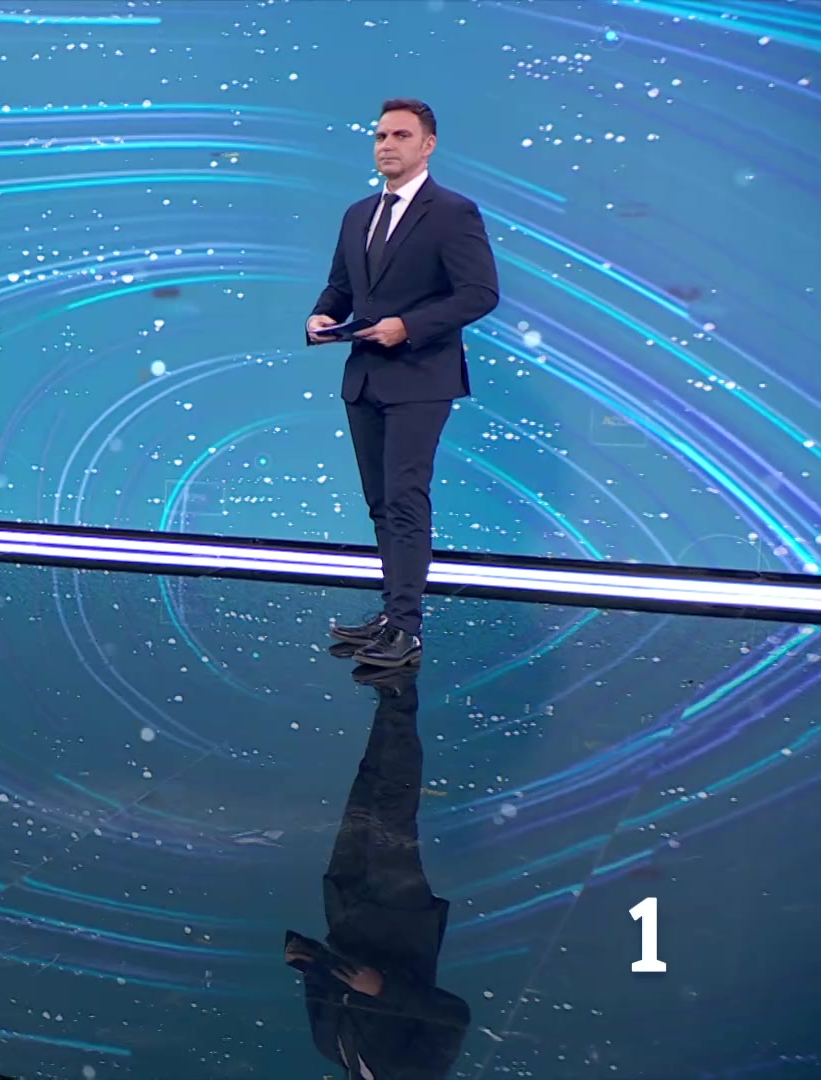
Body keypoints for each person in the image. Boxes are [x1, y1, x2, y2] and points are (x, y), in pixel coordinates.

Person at [307, 98, 499, 668]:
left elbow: (480, 294)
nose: (387, 145)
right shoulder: (358, 214)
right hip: (364, 377)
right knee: (380, 504)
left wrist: (408, 327)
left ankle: (406, 629)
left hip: (421, 377)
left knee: (405, 500)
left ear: (427, 145)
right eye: (380, 136)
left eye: (400, 135)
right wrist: (322, 314)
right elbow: (342, 286)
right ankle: (392, 614)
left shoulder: (453, 212)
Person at [285, 664, 470, 1079]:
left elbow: (327, 981)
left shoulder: (331, 1048)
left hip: (348, 908)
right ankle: (401, 688)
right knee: (392, 808)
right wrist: (384, 988)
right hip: (396, 918)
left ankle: (390, 694)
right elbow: (452, 1017)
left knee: (367, 792)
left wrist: (305, 961)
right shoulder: (410, 1074)